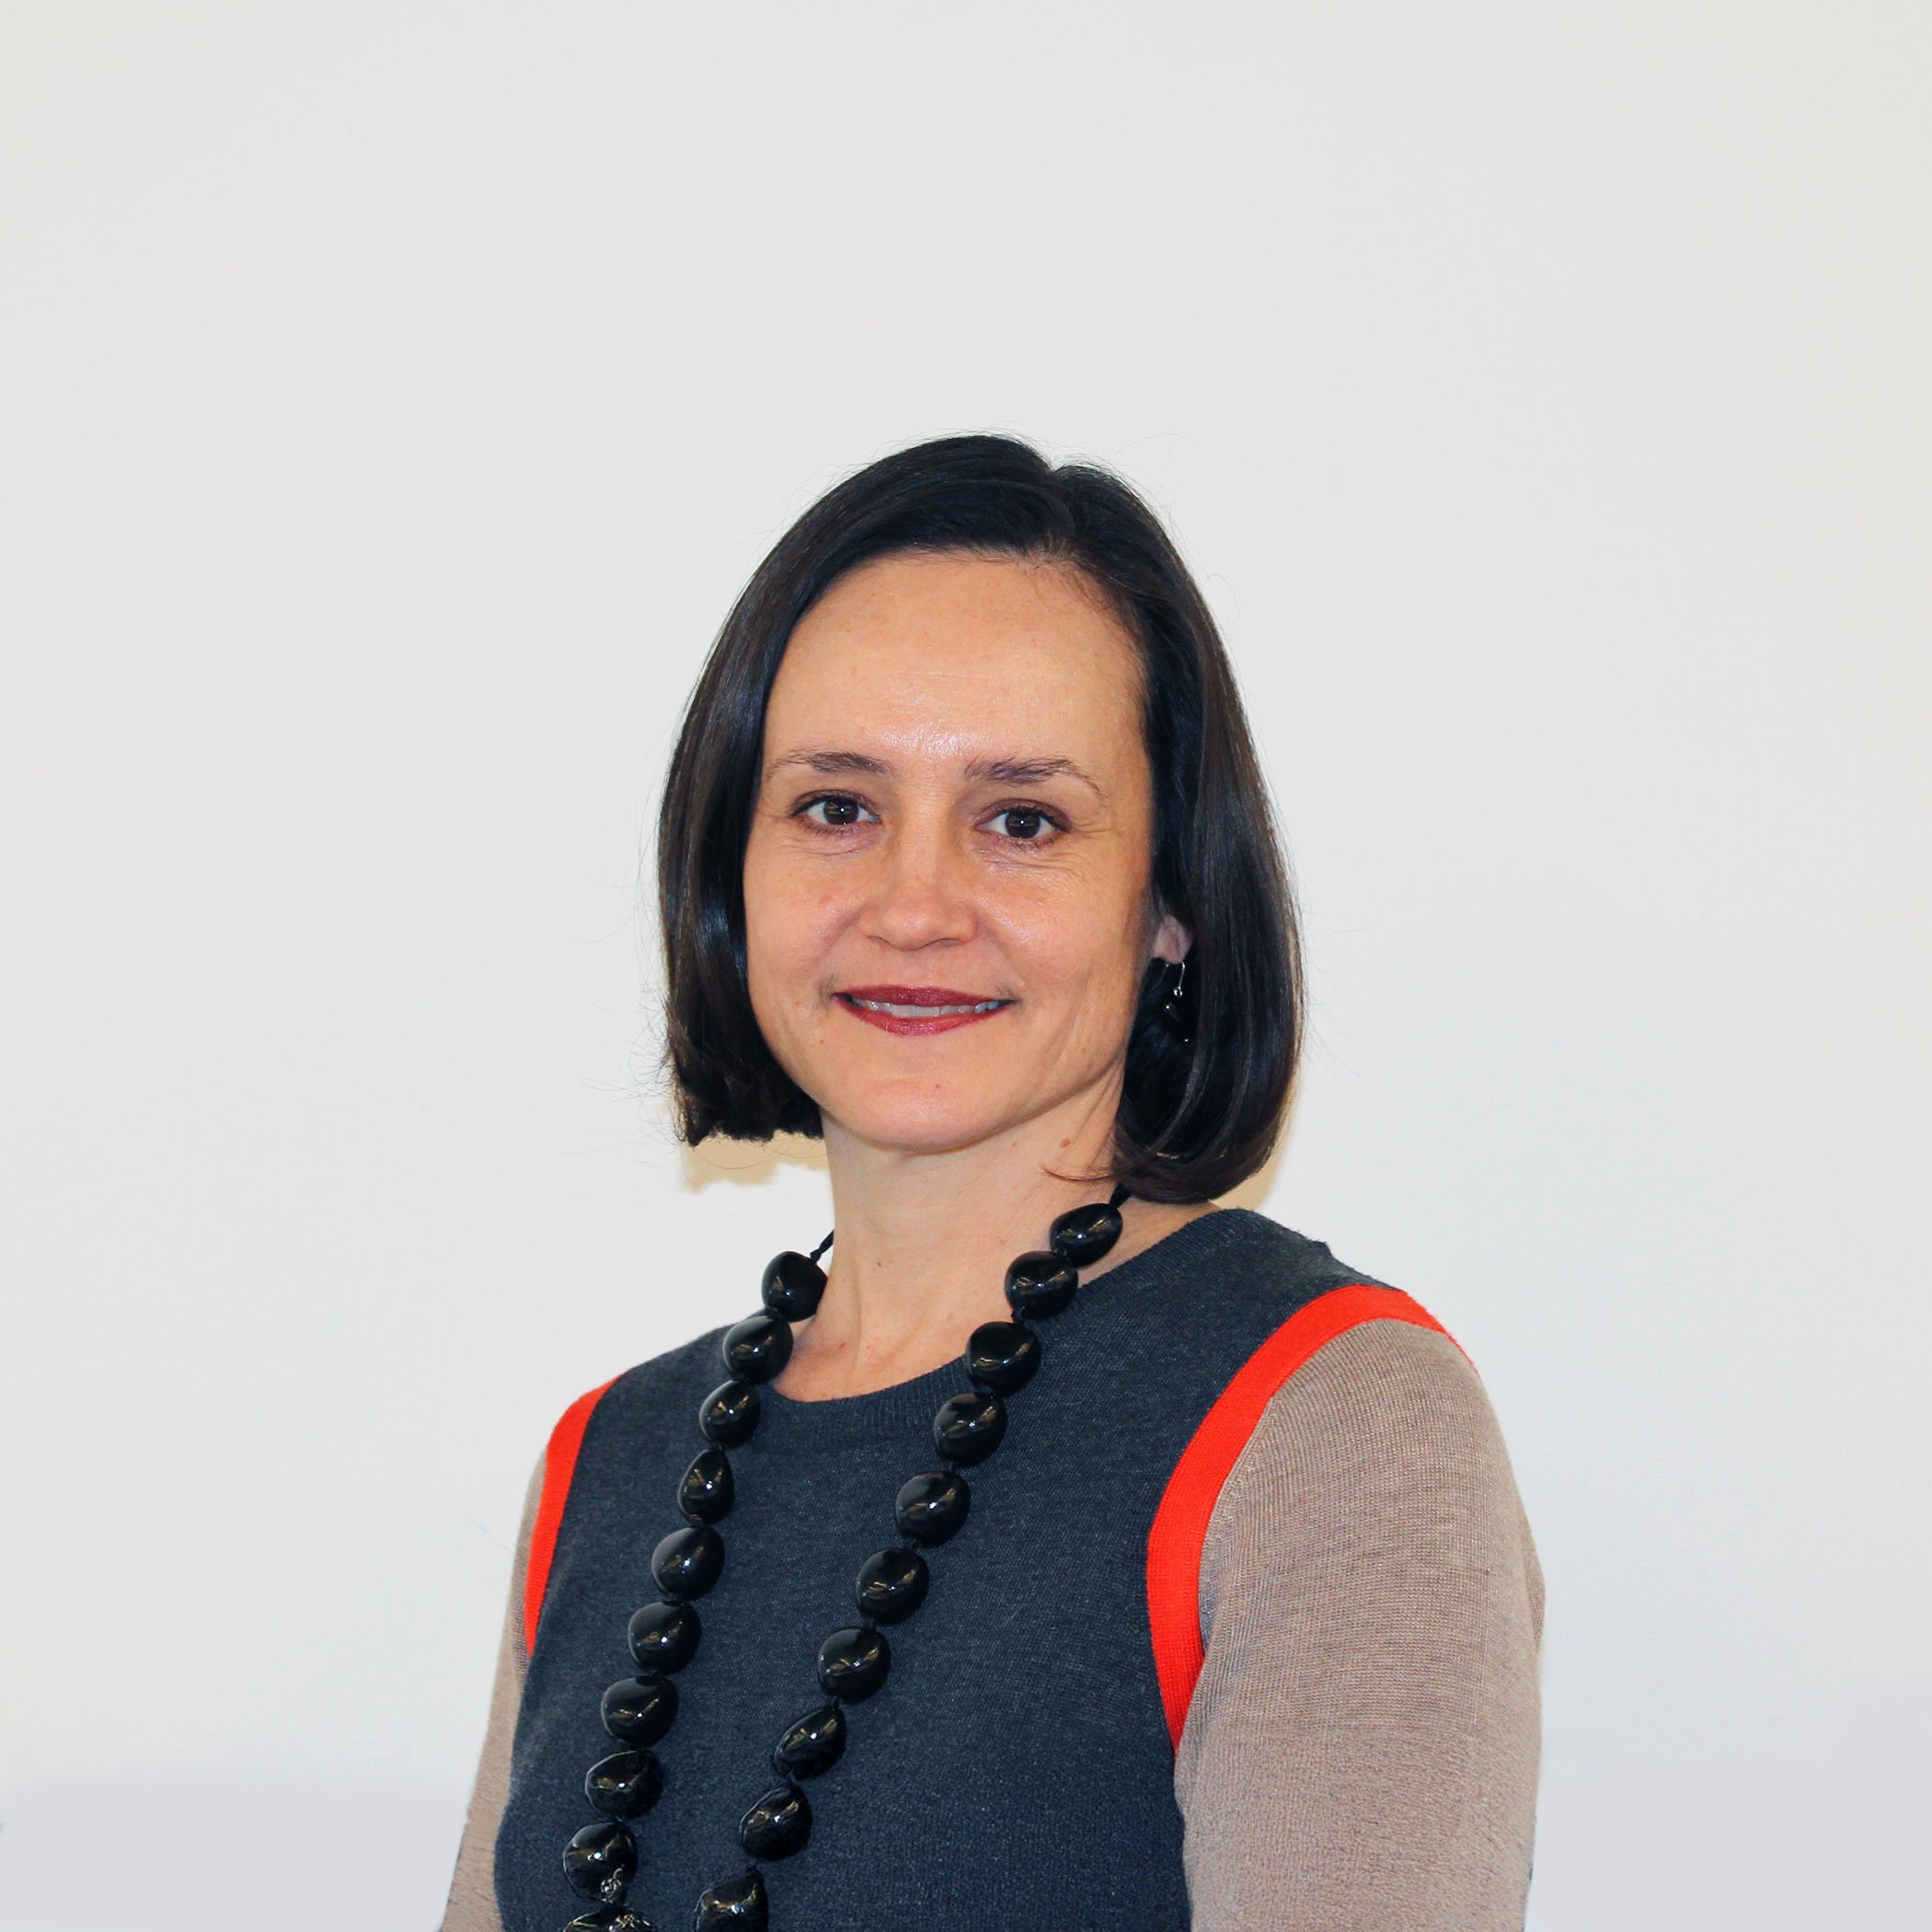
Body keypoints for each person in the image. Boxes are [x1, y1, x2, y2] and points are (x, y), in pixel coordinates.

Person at [442, 434, 1544, 1932]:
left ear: (1169, 904)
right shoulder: (609, 1463)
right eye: (837, 807)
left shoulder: (1333, 1425)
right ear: (731, 872)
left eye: (1023, 819)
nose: (913, 907)